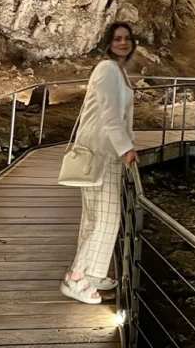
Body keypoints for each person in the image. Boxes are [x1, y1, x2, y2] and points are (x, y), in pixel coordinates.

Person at [60, 22, 140, 305]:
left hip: (105, 150)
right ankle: (77, 277)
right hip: (102, 151)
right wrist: (127, 148)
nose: (123, 42)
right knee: (106, 219)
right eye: (117, 38)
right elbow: (109, 115)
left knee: (95, 217)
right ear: (107, 43)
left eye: (127, 38)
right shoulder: (107, 69)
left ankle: (91, 272)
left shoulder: (116, 70)